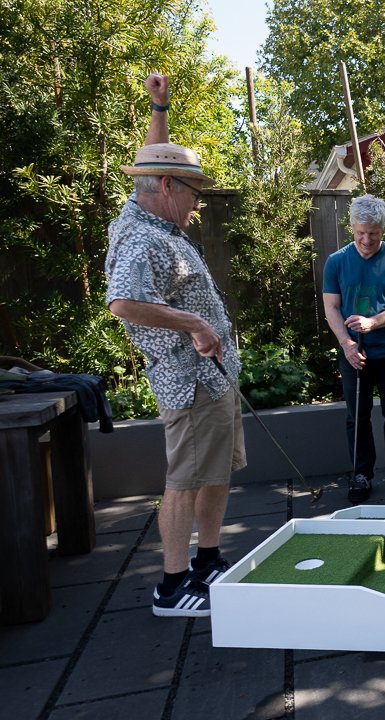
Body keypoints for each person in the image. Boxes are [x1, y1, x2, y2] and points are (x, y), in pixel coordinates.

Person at [105, 74, 245, 617]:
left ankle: (208, 560)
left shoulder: (149, 214)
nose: (197, 202)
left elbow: (151, 159)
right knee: (185, 481)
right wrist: (193, 322)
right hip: (188, 380)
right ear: (167, 187)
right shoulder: (142, 236)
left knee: (215, 472)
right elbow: (121, 302)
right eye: (192, 192)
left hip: (214, 376)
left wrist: (159, 106)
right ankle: (172, 585)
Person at [322, 195, 385, 503]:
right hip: (354, 354)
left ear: (383, 229)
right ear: (351, 227)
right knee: (357, 416)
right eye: (361, 232)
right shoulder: (336, 262)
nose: (366, 239)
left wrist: (373, 322)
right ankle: (361, 474)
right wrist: (348, 344)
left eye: (373, 233)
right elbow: (331, 308)